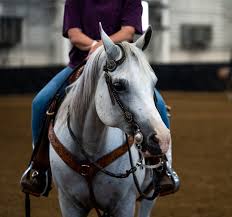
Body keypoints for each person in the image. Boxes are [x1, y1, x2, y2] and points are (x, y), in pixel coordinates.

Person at [20, 0, 179, 197]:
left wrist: (101, 48)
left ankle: (161, 167)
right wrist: (95, 47)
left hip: (120, 64)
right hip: (81, 63)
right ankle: (39, 167)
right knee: (40, 103)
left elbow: (128, 32)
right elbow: (74, 34)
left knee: (159, 104)